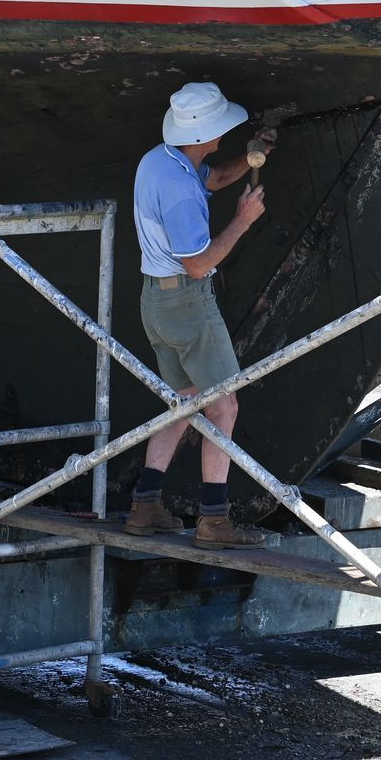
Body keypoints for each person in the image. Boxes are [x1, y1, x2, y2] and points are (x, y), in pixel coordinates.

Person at [126, 81, 273, 549]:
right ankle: (214, 520)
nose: (223, 133)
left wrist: (255, 156)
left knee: (183, 399)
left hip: (156, 301)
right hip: (188, 302)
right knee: (223, 405)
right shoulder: (181, 195)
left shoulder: (160, 161)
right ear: (203, 132)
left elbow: (210, 177)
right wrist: (243, 221)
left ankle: (144, 505)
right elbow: (198, 263)